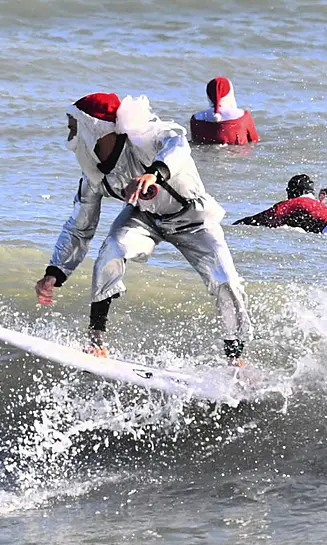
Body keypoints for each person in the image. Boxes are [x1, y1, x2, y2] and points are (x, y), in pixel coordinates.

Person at [35, 92, 252, 365]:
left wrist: (155, 172)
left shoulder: (145, 138)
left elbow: (179, 144)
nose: (69, 131)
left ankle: (236, 358)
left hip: (193, 218)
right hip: (145, 218)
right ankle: (96, 341)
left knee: (226, 281)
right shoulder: (93, 174)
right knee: (113, 248)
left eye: (73, 125)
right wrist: (55, 271)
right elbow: (80, 227)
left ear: (93, 127)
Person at [190, 77, 259, 145]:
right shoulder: (244, 117)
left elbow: (195, 143)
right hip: (237, 154)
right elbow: (254, 141)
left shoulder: (196, 119)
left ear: (208, 96)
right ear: (230, 94)